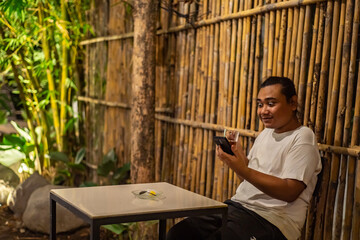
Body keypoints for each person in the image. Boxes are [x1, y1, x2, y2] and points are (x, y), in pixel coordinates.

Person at [166, 76, 322, 240]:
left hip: (273, 221)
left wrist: (243, 168)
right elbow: (249, 180)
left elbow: (290, 191)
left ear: (292, 103)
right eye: (260, 104)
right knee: (178, 234)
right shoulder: (266, 133)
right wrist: (237, 160)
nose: (263, 111)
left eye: (271, 103)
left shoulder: (303, 138)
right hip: (237, 207)